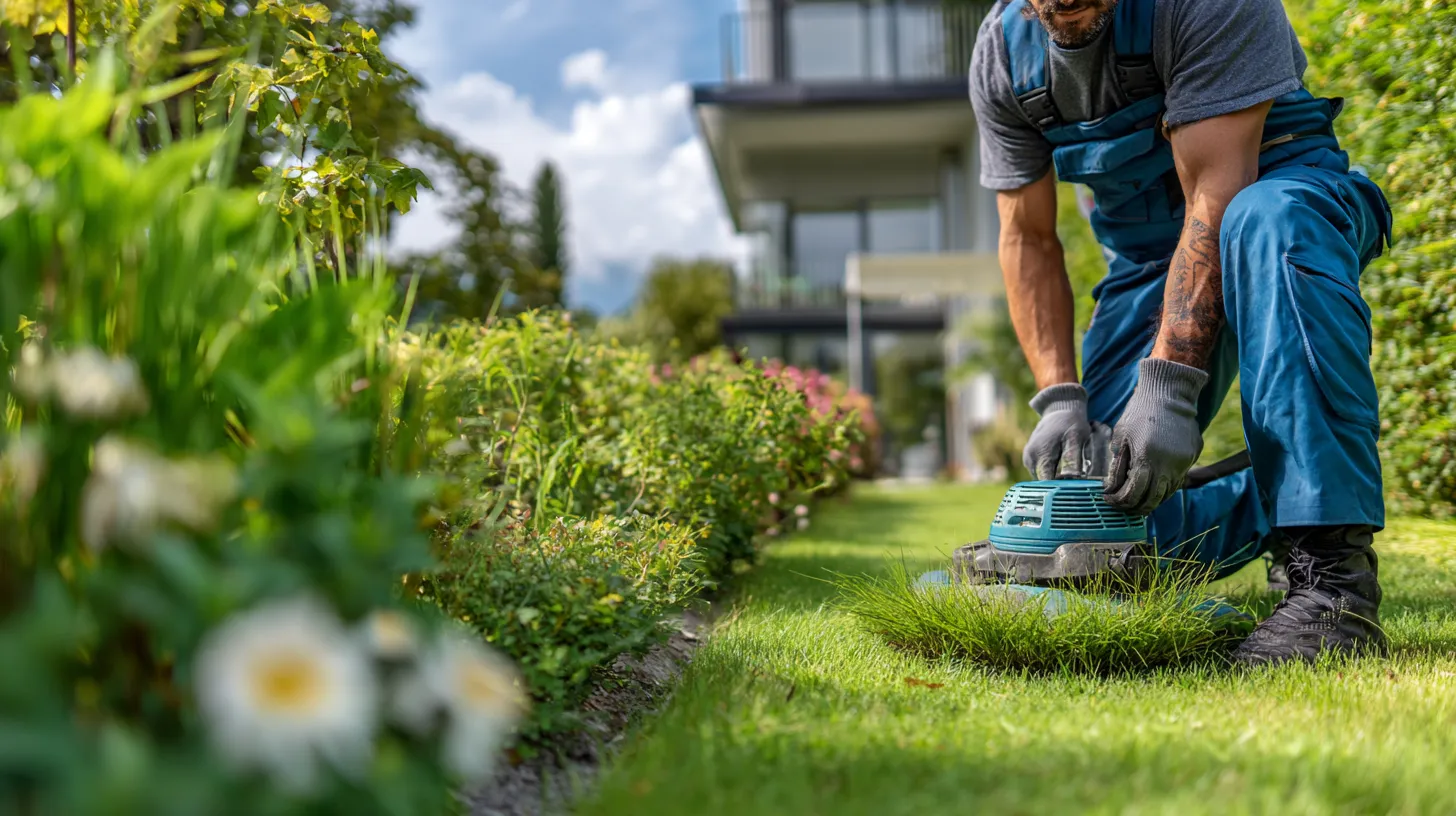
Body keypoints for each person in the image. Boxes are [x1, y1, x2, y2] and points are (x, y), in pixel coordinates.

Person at [968, 0, 1394, 665]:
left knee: (1267, 222)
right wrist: (1059, 398)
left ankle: (1331, 586)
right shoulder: (1003, 55)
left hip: (1282, 202)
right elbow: (1027, 238)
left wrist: (1165, 387)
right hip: (1147, 264)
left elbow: (1218, 198)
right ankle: (1289, 476)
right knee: (1107, 519)